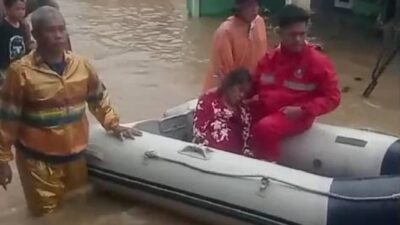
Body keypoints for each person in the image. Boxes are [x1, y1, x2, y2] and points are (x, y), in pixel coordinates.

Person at [0, 6, 142, 216]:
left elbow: (98, 97)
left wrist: (113, 124)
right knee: (46, 216)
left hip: (75, 156)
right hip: (37, 161)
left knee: (76, 209)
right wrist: (2, 160)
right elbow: (7, 119)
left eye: (61, 29)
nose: (58, 35)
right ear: (36, 34)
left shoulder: (81, 65)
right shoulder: (21, 72)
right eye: (51, 30)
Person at [250, 5, 341, 162]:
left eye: (302, 34)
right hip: (268, 109)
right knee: (235, 116)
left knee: (265, 128)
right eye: (292, 35)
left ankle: (268, 168)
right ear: (279, 33)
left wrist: (303, 110)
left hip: (297, 115)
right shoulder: (269, 59)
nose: (298, 39)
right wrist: (226, 92)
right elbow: (251, 85)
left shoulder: (318, 62)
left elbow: (333, 97)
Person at [202, 0, 267, 92]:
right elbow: (225, 75)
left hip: (251, 87)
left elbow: (263, 59)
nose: (254, 9)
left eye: (256, 4)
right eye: (249, 5)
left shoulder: (259, 22)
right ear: (239, 7)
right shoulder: (224, 32)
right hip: (225, 92)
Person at [194, 68, 254, 156]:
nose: (242, 95)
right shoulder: (208, 100)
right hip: (208, 154)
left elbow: (246, 142)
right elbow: (199, 132)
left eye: (245, 93)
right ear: (230, 85)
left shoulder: (244, 111)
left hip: (234, 158)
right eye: (240, 90)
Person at [0, 0, 29, 86]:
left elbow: (26, 43)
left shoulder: (23, 26)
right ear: (7, 9)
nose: (21, 12)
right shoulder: (2, 27)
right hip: (5, 66)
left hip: (20, 64)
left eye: (23, 9)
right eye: (17, 9)